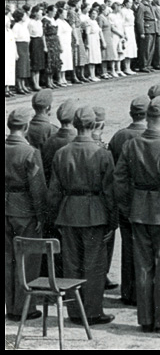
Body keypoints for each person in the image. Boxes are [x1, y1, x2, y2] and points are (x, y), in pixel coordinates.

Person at [113, 96, 160, 333]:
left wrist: (127, 208)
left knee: (143, 267)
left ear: (147, 118)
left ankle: (146, 318)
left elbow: (119, 181)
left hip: (138, 211)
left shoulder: (131, 145)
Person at [47, 106, 116, 325]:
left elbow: (54, 191)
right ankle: (93, 311)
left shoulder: (62, 153)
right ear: (94, 125)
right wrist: (112, 221)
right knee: (94, 265)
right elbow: (109, 192)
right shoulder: (103, 154)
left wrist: (55, 217)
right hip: (95, 213)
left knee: (72, 264)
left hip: (68, 212)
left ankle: (75, 311)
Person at [107, 96, 150, 306]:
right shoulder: (152, 135)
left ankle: (128, 291)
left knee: (128, 247)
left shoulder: (119, 136)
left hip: (124, 199)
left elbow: (113, 170)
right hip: (147, 201)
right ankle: (144, 292)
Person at [5, 108, 47, 322]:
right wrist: (41, 215)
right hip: (24, 209)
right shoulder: (30, 152)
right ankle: (25, 308)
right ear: (26, 127)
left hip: (6, 206)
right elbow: (38, 188)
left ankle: (11, 306)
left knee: (8, 259)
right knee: (28, 258)